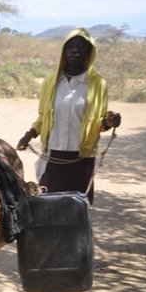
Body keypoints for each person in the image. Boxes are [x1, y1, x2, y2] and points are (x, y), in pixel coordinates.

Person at [16, 28, 121, 204]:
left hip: (82, 158)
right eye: (71, 46)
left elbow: (99, 122)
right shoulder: (51, 82)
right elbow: (43, 117)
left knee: (78, 207)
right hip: (53, 156)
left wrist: (109, 122)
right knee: (49, 205)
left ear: (89, 53)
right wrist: (29, 135)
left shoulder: (98, 84)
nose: (75, 51)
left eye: (81, 47)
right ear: (64, 51)